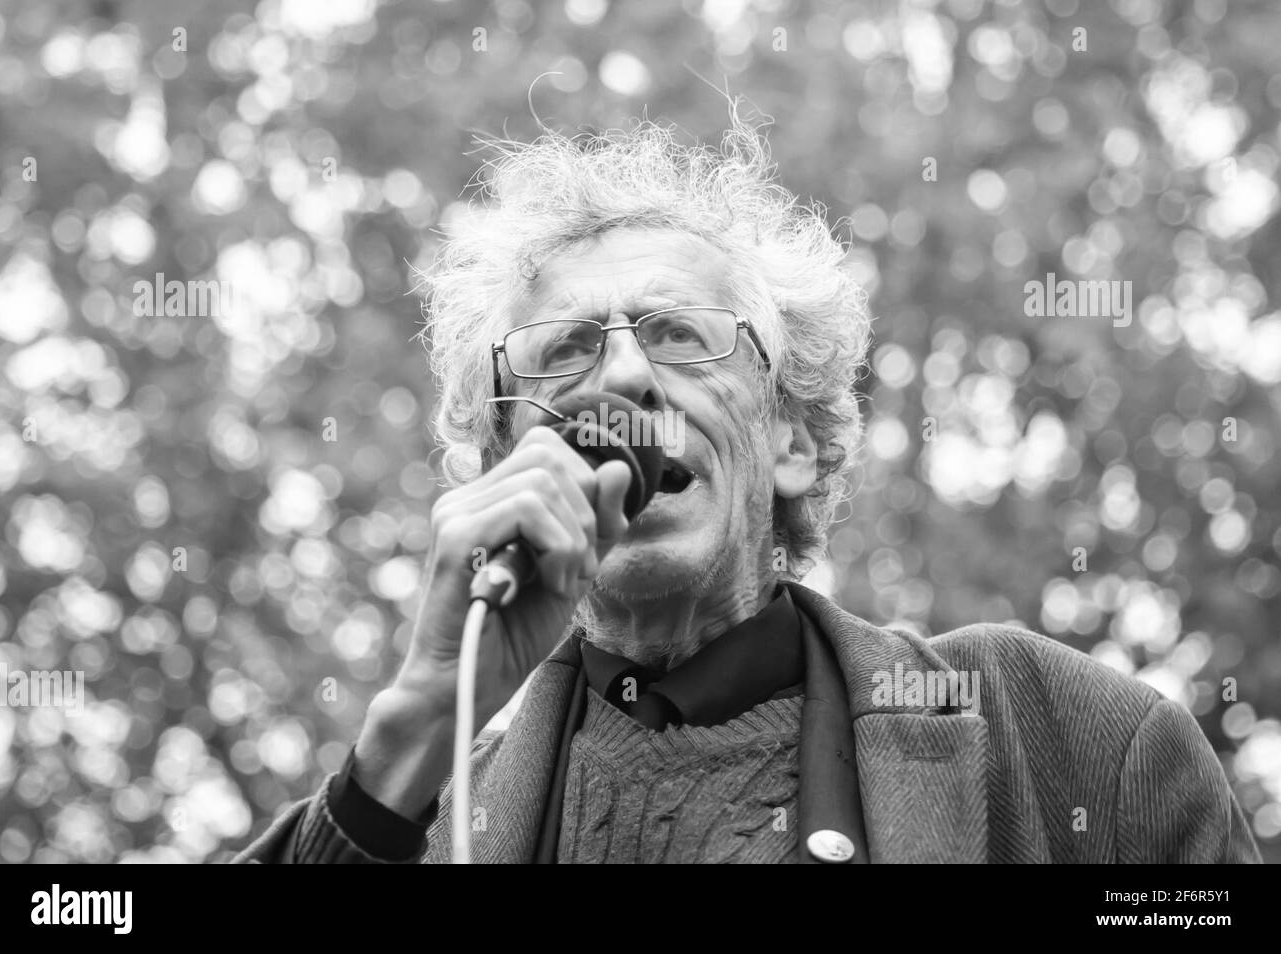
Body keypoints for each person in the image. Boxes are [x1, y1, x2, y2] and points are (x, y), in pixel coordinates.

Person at [233, 112, 1260, 864]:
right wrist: (413, 732)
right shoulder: (427, 819)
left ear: (793, 441)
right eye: (564, 351)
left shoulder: (1060, 741)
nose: (622, 377)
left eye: (678, 333)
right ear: (508, 464)